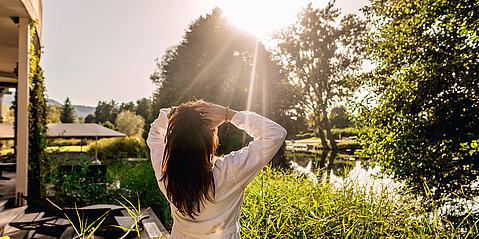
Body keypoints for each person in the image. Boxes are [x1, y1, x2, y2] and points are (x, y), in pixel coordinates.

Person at [147, 100, 287, 239]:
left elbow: (154, 133)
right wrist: (229, 114)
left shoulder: (165, 168)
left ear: (174, 137)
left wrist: (176, 112)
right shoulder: (230, 170)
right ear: (212, 135)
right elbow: (275, 133)